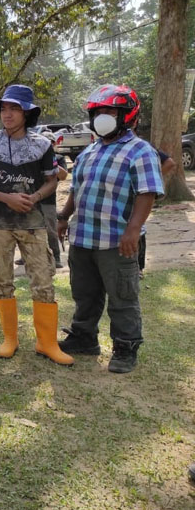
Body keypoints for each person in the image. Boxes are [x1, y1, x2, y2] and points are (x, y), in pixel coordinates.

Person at [56, 85, 164, 374]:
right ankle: (84, 337)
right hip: (83, 237)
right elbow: (76, 189)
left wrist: (133, 230)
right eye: (98, 112)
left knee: (122, 297)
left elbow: (147, 193)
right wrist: (64, 217)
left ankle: (126, 347)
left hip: (118, 241)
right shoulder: (89, 151)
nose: (103, 117)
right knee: (84, 293)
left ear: (127, 115)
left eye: (110, 112)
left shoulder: (140, 150)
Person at [0, 84, 73, 366]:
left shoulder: (42, 145)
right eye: (4, 108)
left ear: (27, 113)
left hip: (35, 224)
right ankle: (10, 339)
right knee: (2, 280)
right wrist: (7, 198)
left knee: (43, 281)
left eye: (14, 108)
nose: (7, 114)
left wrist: (36, 196)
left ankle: (47, 342)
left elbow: (53, 179)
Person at [16, 131, 67, 268]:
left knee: (51, 230)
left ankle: (56, 257)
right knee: (26, 229)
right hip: (29, 198)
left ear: (54, 144)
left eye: (49, 143)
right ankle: (25, 256)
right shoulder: (31, 157)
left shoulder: (59, 158)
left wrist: (52, 161)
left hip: (48, 200)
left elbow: (63, 176)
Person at [137, 149, 175, 278]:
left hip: (141, 194)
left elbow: (169, 162)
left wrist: (152, 178)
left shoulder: (144, 148)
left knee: (138, 227)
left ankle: (139, 268)